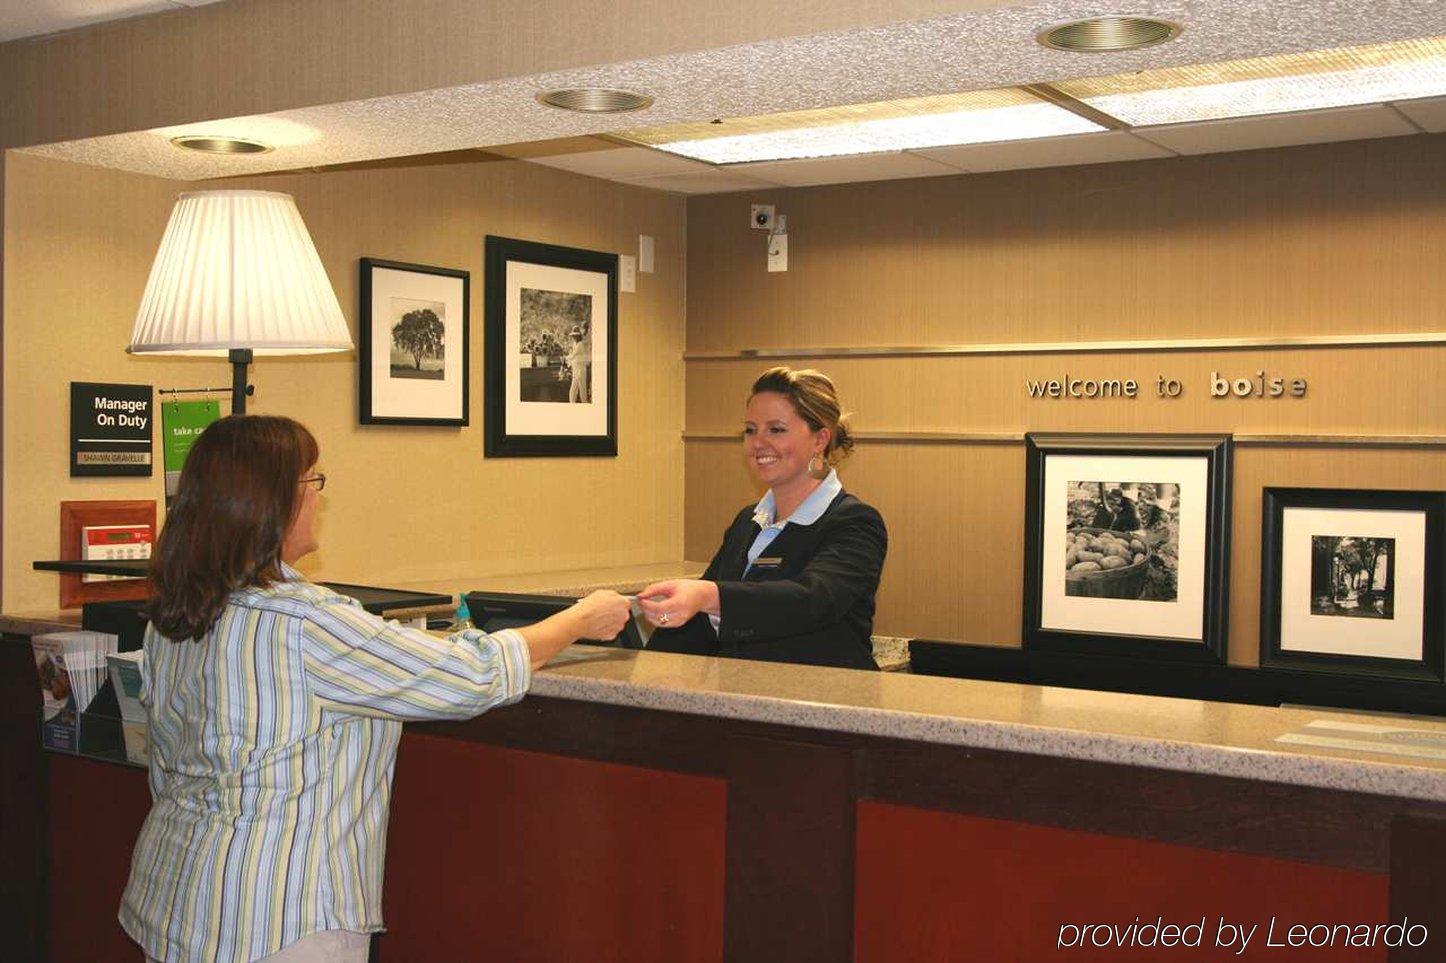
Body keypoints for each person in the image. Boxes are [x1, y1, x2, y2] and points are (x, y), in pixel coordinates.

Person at [119, 415, 629, 963]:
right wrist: (579, 620)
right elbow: (470, 674)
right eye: (311, 482)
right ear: (270, 505)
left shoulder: (174, 617)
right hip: (282, 914)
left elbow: (165, 762)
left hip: (176, 898)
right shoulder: (302, 623)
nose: (318, 497)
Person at [638, 367, 886, 670]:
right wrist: (643, 664)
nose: (758, 443)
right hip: (747, 701)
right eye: (751, 430)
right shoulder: (747, 522)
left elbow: (812, 600)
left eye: (776, 429)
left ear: (820, 439)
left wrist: (708, 595)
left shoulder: (855, 522)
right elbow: (703, 621)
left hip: (825, 708)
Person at [566, 325, 591, 403]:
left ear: (578, 336)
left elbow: (573, 355)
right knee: (572, 391)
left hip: (581, 370)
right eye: (573, 336)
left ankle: (585, 405)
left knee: (582, 392)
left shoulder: (580, 344)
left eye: (575, 336)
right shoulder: (575, 344)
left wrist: (565, 358)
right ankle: (572, 406)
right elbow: (572, 356)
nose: (574, 337)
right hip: (576, 370)